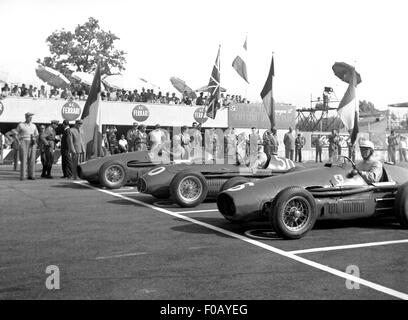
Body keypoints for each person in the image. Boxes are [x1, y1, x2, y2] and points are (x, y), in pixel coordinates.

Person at [16, 112, 39, 180]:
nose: (30, 118)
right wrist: (19, 142)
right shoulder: (21, 125)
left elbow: (37, 134)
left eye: (31, 117)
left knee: (32, 159)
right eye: (29, 117)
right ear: (26, 117)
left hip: (32, 142)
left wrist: (35, 140)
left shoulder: (33, 125)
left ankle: (31, 175)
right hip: (23, 141)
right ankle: (23, 175)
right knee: (24, 159)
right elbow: (15, 134)